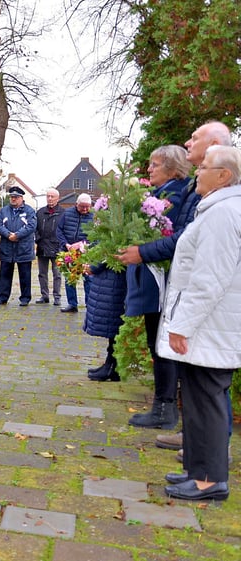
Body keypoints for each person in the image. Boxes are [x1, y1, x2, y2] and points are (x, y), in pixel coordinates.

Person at [115, 121, 233, 449]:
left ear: (214, 146)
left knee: (208, 377)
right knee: (197, 374)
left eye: (194, 138)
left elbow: (186, 241)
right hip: (190, 290)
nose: (187, 141)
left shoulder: (218, 198)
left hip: (204, 297)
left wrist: (143, 251)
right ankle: (198, 442)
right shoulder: (197, 189)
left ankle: (208, 457)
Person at [157, 145, 241, 502]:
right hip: (209, 324)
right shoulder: (216, 209)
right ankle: (197, 467)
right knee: (194, 398)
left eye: (204, 167)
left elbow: (209, 279)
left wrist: (183, 325)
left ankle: (209, 479)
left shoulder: (223, 214)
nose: (197, 172)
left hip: (211, 325)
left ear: (223, 175)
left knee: (206, 399)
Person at [117, 145, 190, 429]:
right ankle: (163, 405)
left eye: (155, 164)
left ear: (173, 168)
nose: (149, 169)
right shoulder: (164, 192)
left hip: (162, 277)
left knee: (161, 342)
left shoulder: (175, 195)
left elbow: (170, 235)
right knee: (155, 341)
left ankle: (166, 408)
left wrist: (142, 250)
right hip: (153, 276)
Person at [0, 186, 37, 306]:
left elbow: (31, 226)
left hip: (23, 248)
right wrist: (8, 235)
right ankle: (3, 297)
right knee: (5, 274)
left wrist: (17, 235)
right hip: (7, 247)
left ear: (21, 198)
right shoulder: (4, 210)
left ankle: (25, 298)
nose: (13, 199)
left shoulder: (29, 211)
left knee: (25, 275)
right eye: (11, 197)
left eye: (16, 197)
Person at [55, 194, 94, 313]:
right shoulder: (67, 214)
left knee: (88, 279)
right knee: (69, 278)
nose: (85, 209)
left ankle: (90, 304)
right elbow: (59, 230)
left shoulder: (94, 216)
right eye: (82, 206)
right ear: (76, 204)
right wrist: (66, 244)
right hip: (69, 251)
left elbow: (97, 237)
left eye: (88, 207)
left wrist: (82, 244)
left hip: (86, 252)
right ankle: (72, 304)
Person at [34, 188, 63, 306]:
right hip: (42, 246)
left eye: (52, 196)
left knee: (57, 274)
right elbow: (34, 228)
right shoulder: (40, 212)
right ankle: (44, 295)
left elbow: (64, 229)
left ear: (58, 198)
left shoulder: (63, 213)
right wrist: (38, 239)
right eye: (48, 196)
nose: (50, 198)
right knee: (42, 273)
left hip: (57, 247)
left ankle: (57, 296)